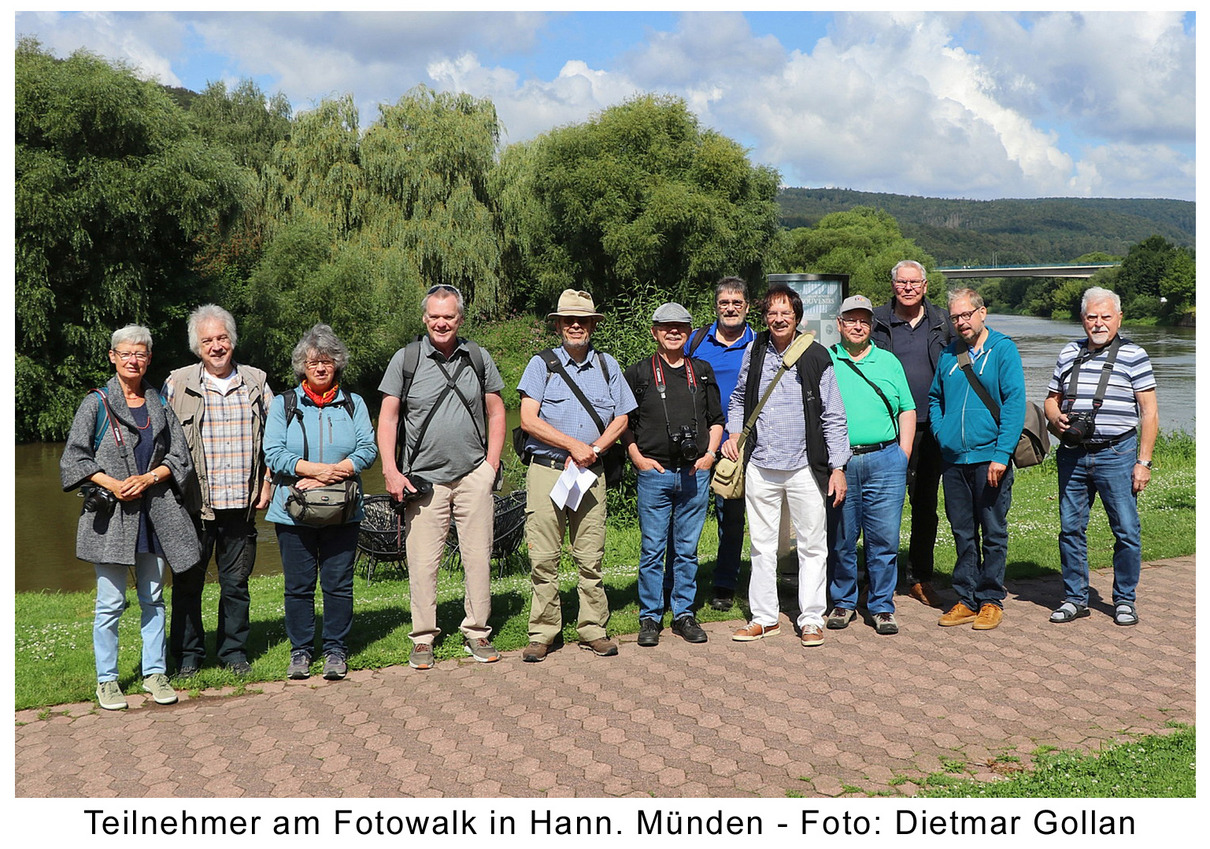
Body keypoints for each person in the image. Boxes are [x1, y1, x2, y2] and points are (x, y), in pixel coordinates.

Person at [60, 325, 200, 711]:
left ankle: (154, 672)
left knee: (154, 598)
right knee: (110, 603)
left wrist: (151, 477)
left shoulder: (157, 401)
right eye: (126, 353)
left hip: (154, 515)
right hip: (112, 517)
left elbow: (180, 456)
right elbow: (74, 458)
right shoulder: (96, 403)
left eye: (140, 354)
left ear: (149, 358)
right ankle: (107, 681)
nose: (133, 360)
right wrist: (113, 482)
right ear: (113, 357)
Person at [377, 285, 507, 670]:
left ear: (460, 319)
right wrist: (390, 470)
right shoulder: (407, 359)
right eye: (434, 315)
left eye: (448, 316)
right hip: (422, 480)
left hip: (473, 476)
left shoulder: (478, 358)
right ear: (424, 318)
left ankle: (477, 631)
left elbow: (497, 412)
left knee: (478, 557)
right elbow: (388, 417)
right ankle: (422, 638)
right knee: (422, 562)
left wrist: (492, 466)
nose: (441, 322)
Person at [722, 283, 850, 648]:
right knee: (762, 546)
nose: (778, 319)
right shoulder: (755, 349)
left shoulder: (817, 356)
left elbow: (834, 416)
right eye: (772, 313)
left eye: (785, 313)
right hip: (761, 464)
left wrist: (837, 466)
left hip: (805, 467)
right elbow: (737, 399)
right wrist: (733, 434)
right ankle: (764, 618)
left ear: (797, 318)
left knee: (812, 546)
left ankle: (811, 618)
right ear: (765, 317)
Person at [516, 289, 637, 662]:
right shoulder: (540, 365)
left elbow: (622, 418)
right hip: (548, 472)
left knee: (590, 557)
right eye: (568, 319)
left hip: (590, 474)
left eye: (582, 320)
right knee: (544, 558)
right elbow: (527, 419)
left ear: (591, 325)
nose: (575, 325)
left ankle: (593, 629)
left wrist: (595, 450)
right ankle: (544, 632)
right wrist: (573, 445)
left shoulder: (607, 366)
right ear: (558, 325)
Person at [164, 305, 273, 678]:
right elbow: (162, 439)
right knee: (187, 583)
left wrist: (269, 481)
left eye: (222, 338)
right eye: (207, 340)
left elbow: (275, 440)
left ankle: (233, 653)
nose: (216, 346)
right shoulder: (177, 383)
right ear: (197, 347)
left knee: (236, 584)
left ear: (232, 340)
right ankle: (189, 656)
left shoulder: (256, 381)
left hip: (242, 503)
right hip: (194, 505)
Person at [263, 324, 377, 681]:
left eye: (327, 361)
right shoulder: (283, 404)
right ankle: (300, 651)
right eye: (313, 362)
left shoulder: (354, 403)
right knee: (298, 586)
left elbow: (368, 449)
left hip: (343, 509)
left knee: (338, 584)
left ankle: (335, 649)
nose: (321, 368)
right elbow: (273, 451)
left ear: (337, 364)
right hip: (292, 510)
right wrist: (311, 470)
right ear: (302, 367)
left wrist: (333, 472)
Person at [1044, 287, 1157, 627]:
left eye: (1105, 317)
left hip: (1117, 453)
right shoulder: (1068, 352)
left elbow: (1149, 412)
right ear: (1082, 319)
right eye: (1092, 317)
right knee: (1070, 529)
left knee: (1125, 530)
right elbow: (1051, 398)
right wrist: (1054, 417)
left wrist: (1143, 462)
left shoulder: (1135, 355)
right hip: (1073, 455)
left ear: (1119, 318)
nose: (1098, 323)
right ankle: (1075, 598)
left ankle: (1124, 600)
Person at [623, 303, 725, 647]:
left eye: (680, 327)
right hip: (654, 471)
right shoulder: (638, 373)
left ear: (688, 331)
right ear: (654, 332)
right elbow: (625, 423)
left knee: (687, 548)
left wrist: (710, 454)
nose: (673, 332)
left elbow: (716, 419)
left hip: (695, 471)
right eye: (665, 327)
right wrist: (636, 456)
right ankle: (650, 616)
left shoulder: (703, 370)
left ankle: (684, 613)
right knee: (652, 548)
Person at [930, 289, 1025, 631]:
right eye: (955, 317)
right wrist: (943, 435)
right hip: (955, 459)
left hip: (990, 458)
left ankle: (990, 600)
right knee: (963, 532)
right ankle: (966, 598)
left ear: (982, 312)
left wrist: (1002, 455)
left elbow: (1014, 404)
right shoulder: (948, 355)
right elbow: (935, 399)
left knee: (994, 531)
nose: (961, 322)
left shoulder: (1003, 350)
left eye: (966, 315)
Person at [826, 295, 916, 636]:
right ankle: (843, 602)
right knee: (842, 539)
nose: (858, 325)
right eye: (851, 319)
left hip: (885, 460)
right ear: (840, 324)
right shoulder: (826, 359)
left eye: (864, 319)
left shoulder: (889, 362)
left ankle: (881, 606)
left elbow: (906, 408)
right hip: (842, 462)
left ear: (871, 325)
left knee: (884, 539)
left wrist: (903, 453)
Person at [870, 260, 952, 607]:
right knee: (880, 507)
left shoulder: (943, 322)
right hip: (885, 428)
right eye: (901, 282)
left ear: (925, 285)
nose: (907, 287)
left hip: (930, 428)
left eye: (913, 282)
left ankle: (920, 577)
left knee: (925, 506)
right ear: (893, 286)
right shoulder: (875, 322)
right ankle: (878, 581)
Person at [684, 277, 756, 611]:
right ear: (716, 306)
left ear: (747, 306)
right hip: (700, 442)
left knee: (732, 515)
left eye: (736, 303)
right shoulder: (696, 341)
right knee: (688, 514)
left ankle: (725, 584)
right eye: (724, 303)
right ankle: (679, 582)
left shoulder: (760, 342)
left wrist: (737, 434)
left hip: (744, 443)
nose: (730, 308)